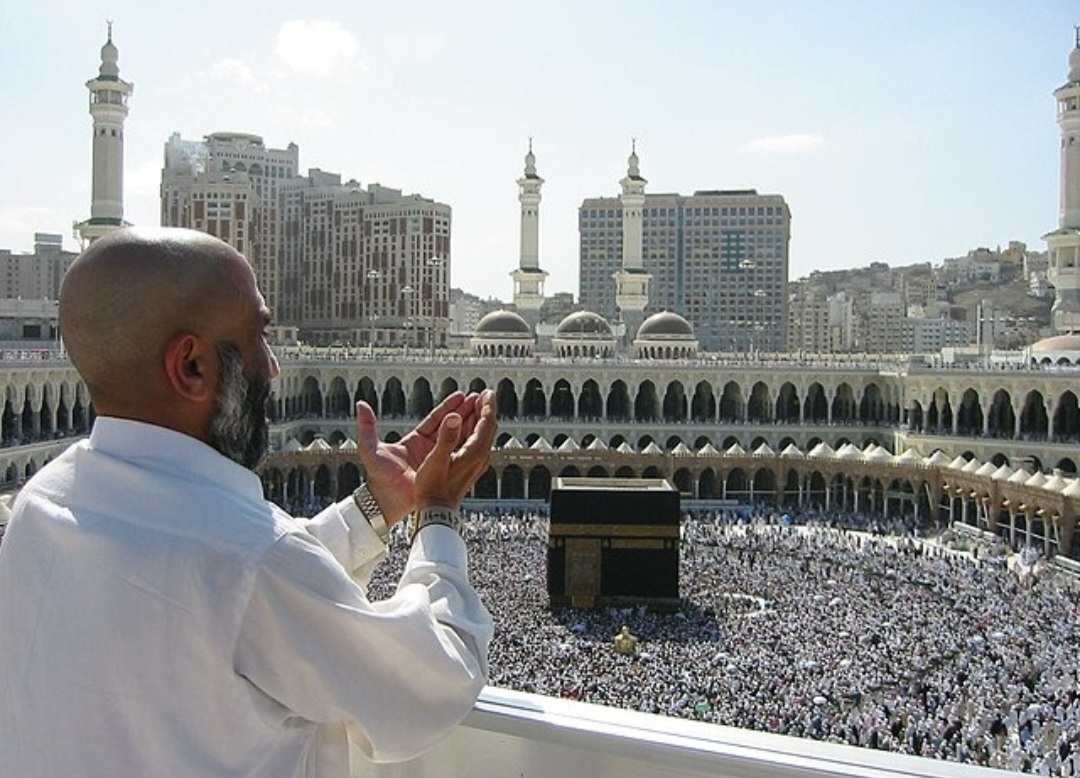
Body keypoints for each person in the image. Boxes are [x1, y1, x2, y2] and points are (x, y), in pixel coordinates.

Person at [0, 227, 497, 778]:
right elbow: (429, 682)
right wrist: (438, 512)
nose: (274, 366)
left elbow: (225, 594)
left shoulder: (38, 506)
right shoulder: (249, 563)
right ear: (191, 366)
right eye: (258, 337)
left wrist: (375, 505)